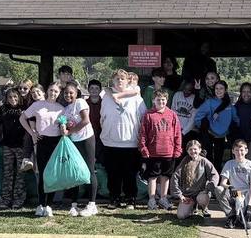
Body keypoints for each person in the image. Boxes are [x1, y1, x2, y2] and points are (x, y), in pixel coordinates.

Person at [99, 70, 146, 209]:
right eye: (117, 79)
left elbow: (143, 117)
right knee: (113, 173)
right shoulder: (106, 96)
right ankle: (114, 198)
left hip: (130, 142)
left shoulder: (136, 97)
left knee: (130, 174)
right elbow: (102, 118)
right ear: (113, 81)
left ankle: (131, 199)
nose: (120, 81)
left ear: (127, 81)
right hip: (110, 142)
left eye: (122, 79)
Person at [20, 84, 64, 217]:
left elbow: (65, 123)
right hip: (41, 142)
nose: (53, 93)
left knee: (53, 175)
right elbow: (22, 118)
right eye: (51, 90)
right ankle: (40, 204)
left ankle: (49, 205)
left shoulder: (61, 109)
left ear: (59, 93)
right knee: (42, 174)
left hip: (55, 142)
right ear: (47, 91)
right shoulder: (37, 105)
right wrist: (32, 132)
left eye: (56, 91)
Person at [138, 89, 182, 210]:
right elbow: (142, 134)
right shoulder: (148, 115)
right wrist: (143, 148)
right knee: (152, 176)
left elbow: (177, 133)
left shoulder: (172, 114)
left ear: (166, 101)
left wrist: (177, 149)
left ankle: (163, 198)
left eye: (163, 100)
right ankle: (152, 199)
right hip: (153, 152)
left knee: (165, 176)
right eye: (158, 100)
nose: (161, 102)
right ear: (153, 100)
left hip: (169, 151)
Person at [60, 82, 98, 217]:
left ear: (76, 93)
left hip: (87, 139)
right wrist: (63, 128)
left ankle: (92, 205)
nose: (68, 95)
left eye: (71, 92)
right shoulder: (65, 109)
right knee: (74, 171)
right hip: (74, 142)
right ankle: (74, 205)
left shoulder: (81, 102)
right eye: (65, 93)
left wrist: (70, 132)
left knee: (89, 170)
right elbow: (63, 124)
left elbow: (85, 120)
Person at [212, 138, 251, 228]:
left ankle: (242, 214)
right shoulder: (229, 164)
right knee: (218, 189)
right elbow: (223, 183)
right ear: (233, 151)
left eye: (241, 150)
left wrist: (249, 206)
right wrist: (230, 187)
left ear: (246, 151)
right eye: (236, 150)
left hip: (245, 194)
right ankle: (231, 215)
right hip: (234, 192)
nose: (239, 153)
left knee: (248, 225)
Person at [193, 80, 238, 169]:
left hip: (222, 136)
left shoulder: (229, 104)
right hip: (210, 134)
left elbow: (235, 118)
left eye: (221, 88)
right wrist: (205, 127)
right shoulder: (209, 102)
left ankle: (217, 178)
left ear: (225, 90)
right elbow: (198, 117)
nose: (218, 90)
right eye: (216, 88)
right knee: (208, 158)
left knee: (219, 159)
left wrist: (230, 129)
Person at [170, 138, 219, 219]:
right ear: (187, 151)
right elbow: (175, 176)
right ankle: (193, 207)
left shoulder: (204, 161)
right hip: (188, 195)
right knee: (181, 216)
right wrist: (180, 195)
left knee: (202, 198)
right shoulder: (184, 161)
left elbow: (214, 174)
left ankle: (204, 208)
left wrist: (209, 187)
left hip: (201, 193)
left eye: (195, 149)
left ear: (199, 150)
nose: (193, 151)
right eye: (190, 149)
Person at [0, 87, 27, 210]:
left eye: (15, 97)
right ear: (6, 99)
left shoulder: (24, 109)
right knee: (7, 173)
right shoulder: (3, 109)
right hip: (7, 144)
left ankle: (18, 199)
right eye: (10, 97)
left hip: (21, 145)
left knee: (20, 173)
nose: (13, 99)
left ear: (19, 97)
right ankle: (5, 199)